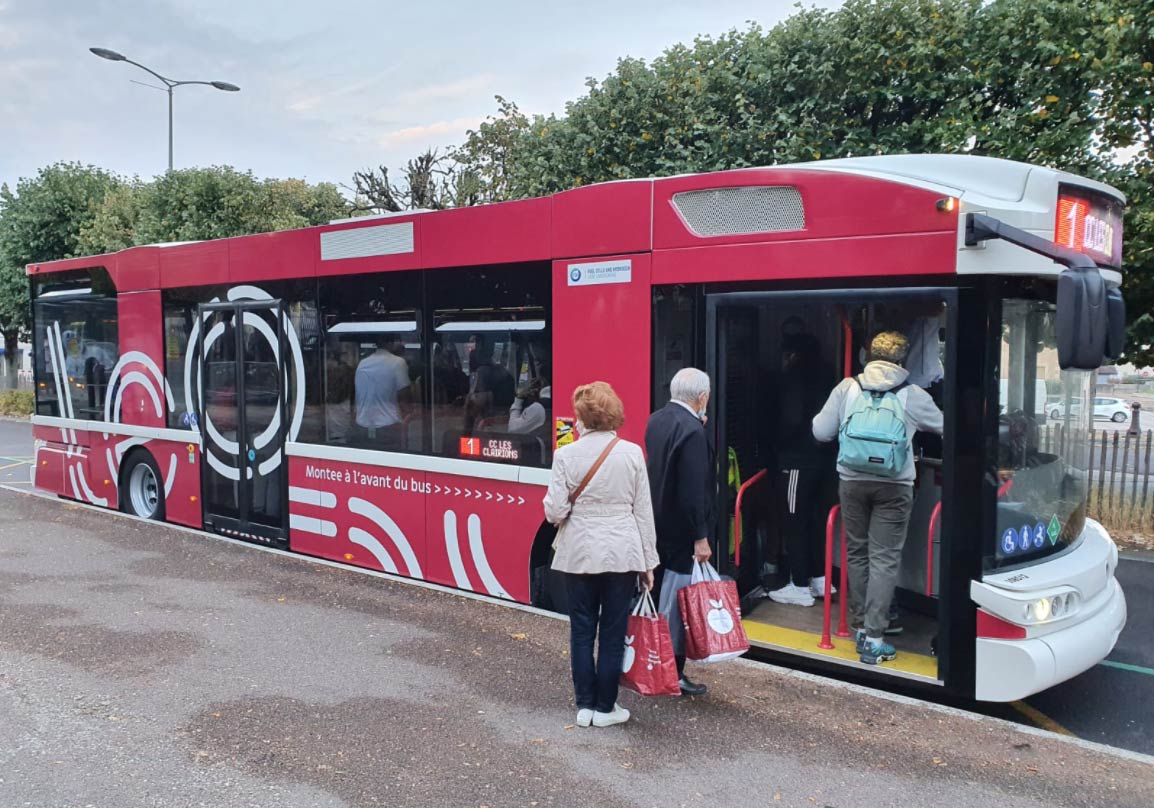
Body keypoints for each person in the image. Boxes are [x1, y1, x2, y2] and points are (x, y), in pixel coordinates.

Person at [812, 332, 943, 665]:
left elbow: (820, 431)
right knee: (884, 559)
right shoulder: (912, 394)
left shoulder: (847, 387)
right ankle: (874, 638)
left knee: (856, 552)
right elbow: (945, 426)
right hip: (894, 485)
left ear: (867, 356)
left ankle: (858, 627)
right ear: (902, 360)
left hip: (852, 481)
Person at [543, 381, 659, 729]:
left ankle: (585, 706)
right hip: (622, 552)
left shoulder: (566, 455)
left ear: (582, 418)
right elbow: (643, 512)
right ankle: (607, 707)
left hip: (579, 552)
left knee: (581, 629)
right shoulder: (632, 453)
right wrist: (648, 562)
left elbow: (554, 512)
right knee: (612, 630)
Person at [644, 367, 714, 696]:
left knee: (656, 598)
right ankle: (673, 673)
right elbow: (692, 491)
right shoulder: (694, 432)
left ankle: (650, 662)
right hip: (682, 534)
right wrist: (700, 537)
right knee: (678, 607)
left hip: (656, 526)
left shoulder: (656, 419)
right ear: (702, 397)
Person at [768, 329, 834, 607]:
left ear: (792, 353)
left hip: (797, 461)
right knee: (816, 520)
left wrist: (777, 445)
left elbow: (792, 419)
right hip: (822, 461)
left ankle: (798, 584)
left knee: (795, 521)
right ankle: (819, 578)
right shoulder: (827, 375)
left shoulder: (793, 379)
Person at [354, 337, 411, 449]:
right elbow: (405, 396)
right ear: (391, 342)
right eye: (399, 340)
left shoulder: (362, 364)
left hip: (362, 425)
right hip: (388, 426)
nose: (402, 344)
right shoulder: (398, 362)